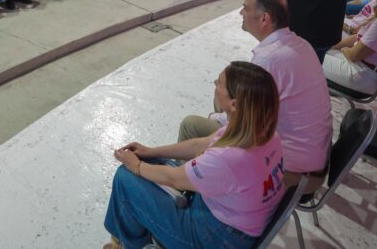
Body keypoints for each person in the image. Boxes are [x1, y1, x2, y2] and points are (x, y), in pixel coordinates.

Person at [104, 62, 285, 249]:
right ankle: (122, 239)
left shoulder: (228, 157)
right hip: (235, 220)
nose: (215, 86)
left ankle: (127, 242)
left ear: (234, 104)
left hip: (215, 237)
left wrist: (136, 166)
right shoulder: (262, 133)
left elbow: (173, 178)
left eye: (219, 83)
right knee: (148, 163)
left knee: (125, 177)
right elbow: (200, 144)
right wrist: (151, 151)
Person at [178, 0, 331, 190]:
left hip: (292, 172)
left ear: (264, 19)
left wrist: (219, 119)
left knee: (192, 125)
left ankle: (185, 190)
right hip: (314, 160)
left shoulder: (269, 59)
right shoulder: (300, 44)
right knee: (223, 97)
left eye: (245, 8)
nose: (241, 12)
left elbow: (246, 123)